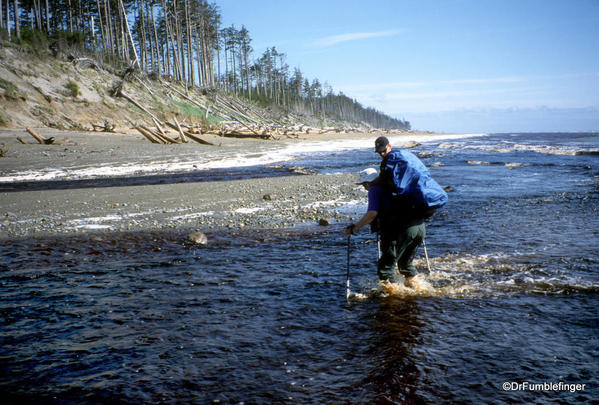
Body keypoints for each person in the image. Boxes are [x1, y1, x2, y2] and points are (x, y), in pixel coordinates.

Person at [345, 165, 424, 288]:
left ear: (367, 183)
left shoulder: (374, 189)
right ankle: (419, 293)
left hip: (399, 231)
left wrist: (355, 228)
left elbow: (372, 213)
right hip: (418, 227)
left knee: (386, 269)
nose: (365, 188)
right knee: (405, 265)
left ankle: (392, 302)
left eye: (364, 185)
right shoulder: (395, 185)